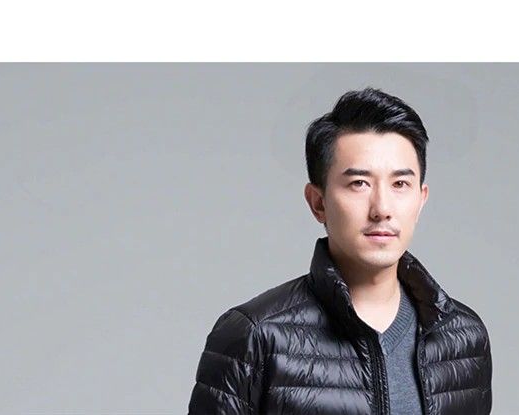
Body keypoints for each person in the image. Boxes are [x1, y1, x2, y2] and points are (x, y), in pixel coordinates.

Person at [188, 87, 492, 414]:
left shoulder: (463, 338)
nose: (382, 208)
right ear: (318, 203)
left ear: (421, 199)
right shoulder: (256, 335)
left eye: (400, 184)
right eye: (359, 183)